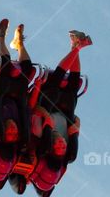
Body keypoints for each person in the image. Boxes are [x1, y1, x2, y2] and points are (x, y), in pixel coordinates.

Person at [29, 30, 91, 166]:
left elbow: (34, 109)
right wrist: (77, 125)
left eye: (57, 148)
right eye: (63, 148)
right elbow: (76, 119)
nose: (61, 144)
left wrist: (46, 117)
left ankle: (78, 46)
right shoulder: (67, 137)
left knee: (54, 88)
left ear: (51, 146)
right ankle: (76, 46)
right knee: (72, 89)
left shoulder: (40, 133)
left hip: (47, 102)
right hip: (64, 109)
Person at [0, 19, 36, 147]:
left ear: (3, 131)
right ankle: (19, 43)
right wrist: (37, 85)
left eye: (8, 133)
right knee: (27, 68)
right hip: (15, 91)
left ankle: (1, 38)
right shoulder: (21, 118)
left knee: (5, 64)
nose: (12, 130)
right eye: (15, 133)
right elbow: (29, 105)